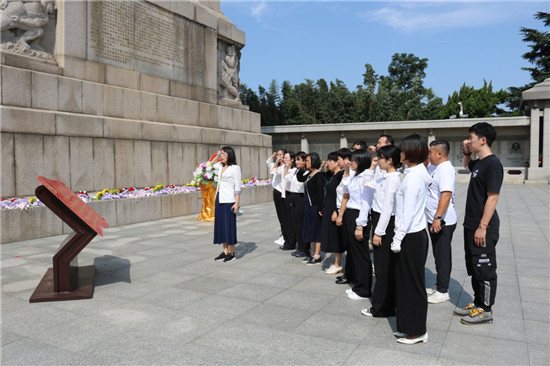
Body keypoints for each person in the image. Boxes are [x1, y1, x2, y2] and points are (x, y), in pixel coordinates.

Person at [455, 122, 503, 325]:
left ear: (483, 140)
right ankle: (477, 303)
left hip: (483, 226)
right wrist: (466, 151)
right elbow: (467, 165)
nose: (469, 141)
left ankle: (486, 310)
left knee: (484, 268)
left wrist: (483, 226)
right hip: (471, 224)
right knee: (474, 266)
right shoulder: (481, 163)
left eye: (471, 138)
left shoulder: (492, 164)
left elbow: (493, 197)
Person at [391, 134, 432, 344]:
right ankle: (408, 326)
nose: (400, 152)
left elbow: (406, 214)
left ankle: (417, 331)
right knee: (405, 283)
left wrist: (396, 240)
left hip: (411, 236)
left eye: (403, 149)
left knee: (413, 284)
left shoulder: (414, 177)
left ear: (412, 152)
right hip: (412, 235)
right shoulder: (414, 173)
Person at [361, 145, 401, 318]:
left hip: (384, 224)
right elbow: (366, 183)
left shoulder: (393, 179)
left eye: (381, 158)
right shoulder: (386, 177)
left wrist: (379, 232)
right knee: (384, 267)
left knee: (383, 268)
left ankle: (381, 307)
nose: (379, 161)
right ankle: (387, 305)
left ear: (390, 160)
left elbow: (387, 208)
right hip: (380, 221)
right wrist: (372, 165)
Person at [425, 140, 457, 304]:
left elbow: (446, 195)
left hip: (443, 221)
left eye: (431, 152)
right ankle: (439, 286)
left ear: (439, 154)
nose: (429, 155)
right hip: (435, 220)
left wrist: (437, 218)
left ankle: (443, 291)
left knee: (443, 256)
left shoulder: (446, 170)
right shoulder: (435, 167)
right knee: (438, 255)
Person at [342, 149, 373, 300]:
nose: (350, 162)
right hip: (351, 213)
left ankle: (364, 289)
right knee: (353, 252)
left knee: (361, 254)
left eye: (353, 160)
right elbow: (345, 185)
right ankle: (357, 284)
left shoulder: (365, 178)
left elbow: (366, 203)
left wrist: (360, 225)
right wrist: (348, 169)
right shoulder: (355, 176)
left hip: (359, 215)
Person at [213, 147, 242, 263]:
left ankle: (231, 252)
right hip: (219, 198)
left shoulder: (235, 168)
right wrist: (217, 154)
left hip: (229, 200)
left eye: (224, 153)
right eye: (221, 153)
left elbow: (237, 187)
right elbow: (209, 164)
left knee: (229, 226)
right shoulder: (220, 167)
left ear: (230, 155)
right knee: (220, 226)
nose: (222, 155)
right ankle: (224, 251)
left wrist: (237, 203)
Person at [297, 152, 325, 265]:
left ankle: (317, 254)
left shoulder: (319, 175)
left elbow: (320, 193)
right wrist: (301, 167)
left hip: (315, 206)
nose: (306, 162)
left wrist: (320, 208)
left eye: (307, 161)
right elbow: (300, 178)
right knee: (311, 230)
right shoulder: (310, 173)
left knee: (316, 230)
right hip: (308, 206)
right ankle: (313, 253)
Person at [320, 152, 345, 274]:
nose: (328, 163)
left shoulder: (340, 175)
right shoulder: (333, 175)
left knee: (336, 236)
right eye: (328, 160)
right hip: (329, 208)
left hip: (334, 209)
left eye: (331, 160)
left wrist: (336, 211)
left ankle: (337, 264)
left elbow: (340, 195)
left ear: (337, 162)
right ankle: (336, 263)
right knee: (331, 235)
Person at [335, 148, 354, 285]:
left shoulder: (352, 174)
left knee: (351, 246)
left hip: (348, 212)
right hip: (342, 210)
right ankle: (348, 273)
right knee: (348, 245)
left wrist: (340, 215)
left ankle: (351, 275)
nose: (337, 162)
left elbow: (346, 196)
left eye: (338, 159)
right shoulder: (344, 173)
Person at [287, 152, 310, 258]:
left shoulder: (307, 173)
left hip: (301, 199)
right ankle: (299, 247)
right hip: (293, 198)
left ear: (305, 161)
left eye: (299, 160)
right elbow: (287, 180)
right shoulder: (296, 171)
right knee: (296, 224)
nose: (296, 162)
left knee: (302, 225)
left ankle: (304, 248)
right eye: (296, 160)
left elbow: (302, 185)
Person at [266, 149, 287, 245]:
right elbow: (269, 165)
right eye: (278, 154)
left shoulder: (285, 167)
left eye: (281, 154)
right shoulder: (277, 165)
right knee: (280, 215)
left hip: (282, 192)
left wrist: (280, 162)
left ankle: (285, 235)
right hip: (276, 192)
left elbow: (276, 172)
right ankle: (284, 234)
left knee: (284, 215)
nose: (279, 156)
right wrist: (273, 156)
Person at [280, 152, 298, 251]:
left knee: (290, 221)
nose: (284, 160)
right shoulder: (283, 168)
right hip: (283, 195)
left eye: (286, 158)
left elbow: (288, 178)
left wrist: (286, 168)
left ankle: (291, 242)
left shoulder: (294, 170)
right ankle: (286, 241)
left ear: (292, 160)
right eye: (284, 158)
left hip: (290, 195)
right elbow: (273, 170)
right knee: (285, 220)